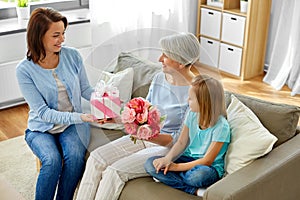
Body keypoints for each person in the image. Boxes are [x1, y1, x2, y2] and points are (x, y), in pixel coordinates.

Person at [76, 32, 201, 200]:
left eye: (166, 55)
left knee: (114, 172)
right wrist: (119, 118)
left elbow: (180, 140)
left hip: (168, 148)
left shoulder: (197, 92)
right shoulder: (159, 78)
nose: (159, 58)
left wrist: (145, 134)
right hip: (145, 137)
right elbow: (145, 111)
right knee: (96, 158)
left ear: (180, 61)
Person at [16, 7, 96, 200]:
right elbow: (43, 112)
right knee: (51, 161)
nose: (62, 39)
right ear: (39, 36)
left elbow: (86, 90)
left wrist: (108, 102)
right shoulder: (24, 70)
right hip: (41, 129)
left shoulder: (73, 56)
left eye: (63, 34)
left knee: (75, 158)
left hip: (73, 125)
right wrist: (81, 116)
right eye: (56, 35)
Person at [144, 75, 231, 196]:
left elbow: (207, 160)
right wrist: (167, 159)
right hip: (187, 158)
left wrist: (175, 167)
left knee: (197, 176)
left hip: (208, 167)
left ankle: (171, 178)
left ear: (203, 102)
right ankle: (192, 190)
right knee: (150, 164)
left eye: (190, 98)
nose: (187, 101)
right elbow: (181, 142)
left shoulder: (222, 127)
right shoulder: (192, 114)